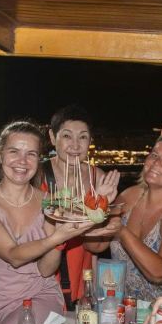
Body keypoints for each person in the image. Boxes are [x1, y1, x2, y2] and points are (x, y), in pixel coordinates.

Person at [0, 121, 107, 324]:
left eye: (31, 154)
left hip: (39, 295)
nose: (22, 161)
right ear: (0, 154)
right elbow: (13, 256)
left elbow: (46, 270)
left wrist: (60, 241)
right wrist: (57, 237)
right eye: (14, 151)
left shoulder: (48, 202)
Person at [93, 135, 162, 300]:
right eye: (154, 155)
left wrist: (123, 232)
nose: (157, 163)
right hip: (121, 306)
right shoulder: (129, 196)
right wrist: (98, 207)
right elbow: (95, 245)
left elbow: (161, 274)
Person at [42, 105, 120, 307]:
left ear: (90, 141)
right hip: (41, 283)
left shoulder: (98, 179)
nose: (75, 145)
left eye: (83, 137)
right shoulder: (37, 176)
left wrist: (98, 208)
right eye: (67, 136)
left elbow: (97, 246)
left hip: (81, 284)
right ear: (52, 137)